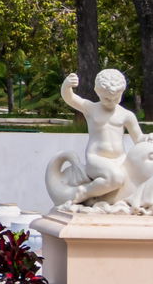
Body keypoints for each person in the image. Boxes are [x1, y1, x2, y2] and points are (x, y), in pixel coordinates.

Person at [55, 69, 146, 205]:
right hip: (96, 159)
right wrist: (66, 86)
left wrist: (146, 139)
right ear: (97, 92)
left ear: (122, 92)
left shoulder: (127, 115)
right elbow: (70, 98)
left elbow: (138, 139)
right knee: (116, 178)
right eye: (106, 98)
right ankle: (83, 193)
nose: (111, 101)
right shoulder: (91, 109)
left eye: (116, 98)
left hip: (120, 160)